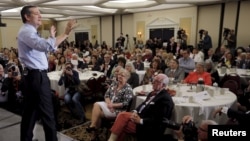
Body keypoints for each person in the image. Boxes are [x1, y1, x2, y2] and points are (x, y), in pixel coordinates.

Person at [18, 5, 77, 141]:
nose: (40, 16)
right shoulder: (27, 32)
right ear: (27, 17)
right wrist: (61, 35)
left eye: (40, 13)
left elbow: (49, 46)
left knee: (30, 114)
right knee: (48, 114)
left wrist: (64, 34)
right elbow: (45, 46)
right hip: (36, 77)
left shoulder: (30, 32)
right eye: (36, 13)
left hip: (32, 76)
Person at [108, 74, 174, 141]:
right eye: (154, 80)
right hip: (139, 117)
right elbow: (143, 104)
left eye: (157, 81)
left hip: (148, 126)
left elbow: (159, 120)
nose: (153, 82)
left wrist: (141, 120)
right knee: (121, 119)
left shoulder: (165, 99)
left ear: (164, 85)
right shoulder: (152, 93)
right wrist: (135, 112)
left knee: (122, 118)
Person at [86, 68, 133, 141]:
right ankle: (94, 127)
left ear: (127, 78)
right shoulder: (114, 84)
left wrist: (113, 105)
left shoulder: (128, 88)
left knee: (98, 113)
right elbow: (106, 95)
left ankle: (94, 132)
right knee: (96, 105)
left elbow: (125, 103)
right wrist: (109, 104)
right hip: (108, 105)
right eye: (119, 74)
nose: (120, 76)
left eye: (122, 75)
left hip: (118, 110)